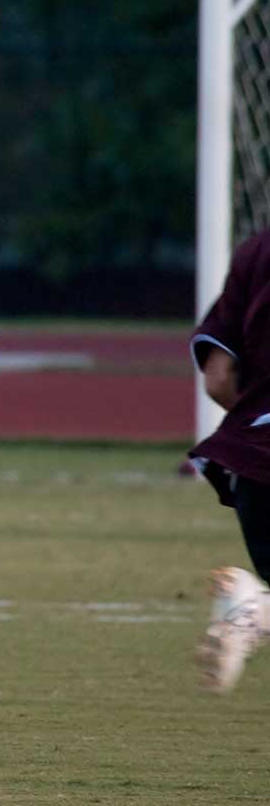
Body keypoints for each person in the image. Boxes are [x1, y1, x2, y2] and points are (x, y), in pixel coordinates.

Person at [187, 229, 270, 693]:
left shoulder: (257, 249)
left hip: (252, 459)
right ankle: (257, 610)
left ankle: (256, 611)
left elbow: (218, 378)